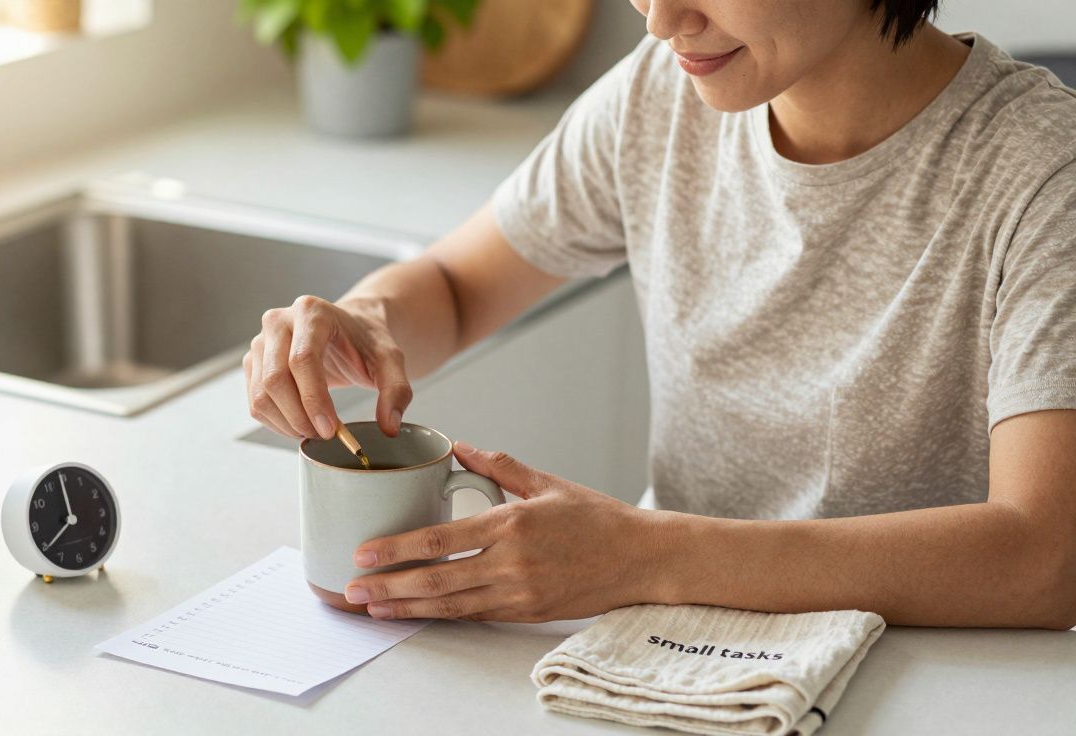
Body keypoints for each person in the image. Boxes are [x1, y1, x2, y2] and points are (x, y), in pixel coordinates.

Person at [243, 0, 1076, 629]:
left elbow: (1045, 558)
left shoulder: (1044, 173)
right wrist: (366, 318)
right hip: (673, 654)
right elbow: (458, 287)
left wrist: (643, 554)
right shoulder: (661, 97)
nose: (663, 22)